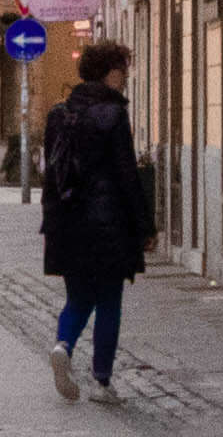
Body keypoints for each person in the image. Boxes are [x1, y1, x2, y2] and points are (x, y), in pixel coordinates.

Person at [36, 38, 154, 403]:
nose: (125, 78)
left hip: (67, 221)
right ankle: (102, 381)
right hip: (107, 224)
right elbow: (126, 175)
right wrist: (145, 227)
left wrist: (51, 221)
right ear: (109, 73)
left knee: (77, 298)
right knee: (108, 301)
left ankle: (64, 345)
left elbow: (50, 173)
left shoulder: (59, 114)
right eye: (122, 71)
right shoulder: (112, 114)